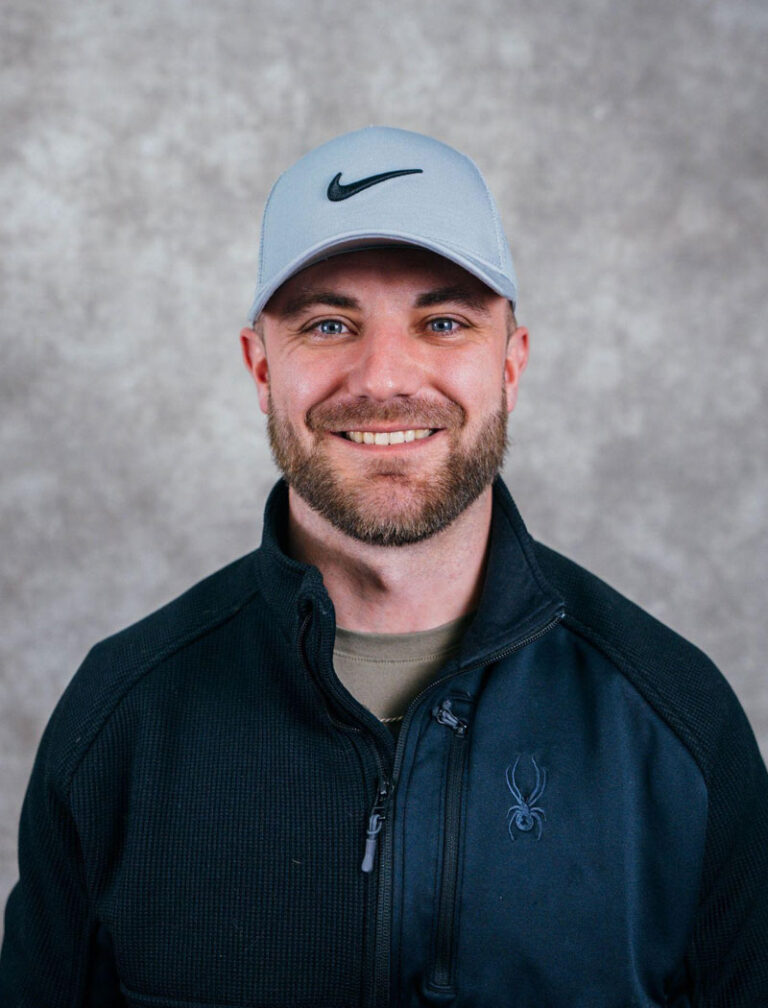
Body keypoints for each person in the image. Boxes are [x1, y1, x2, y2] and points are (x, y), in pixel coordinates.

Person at [1, 126, 766, 1008]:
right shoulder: (121, 722)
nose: (385, 377)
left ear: (511, 363)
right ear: (260, 367)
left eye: (443, 322)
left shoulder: (674, 726)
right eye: (330, 324)